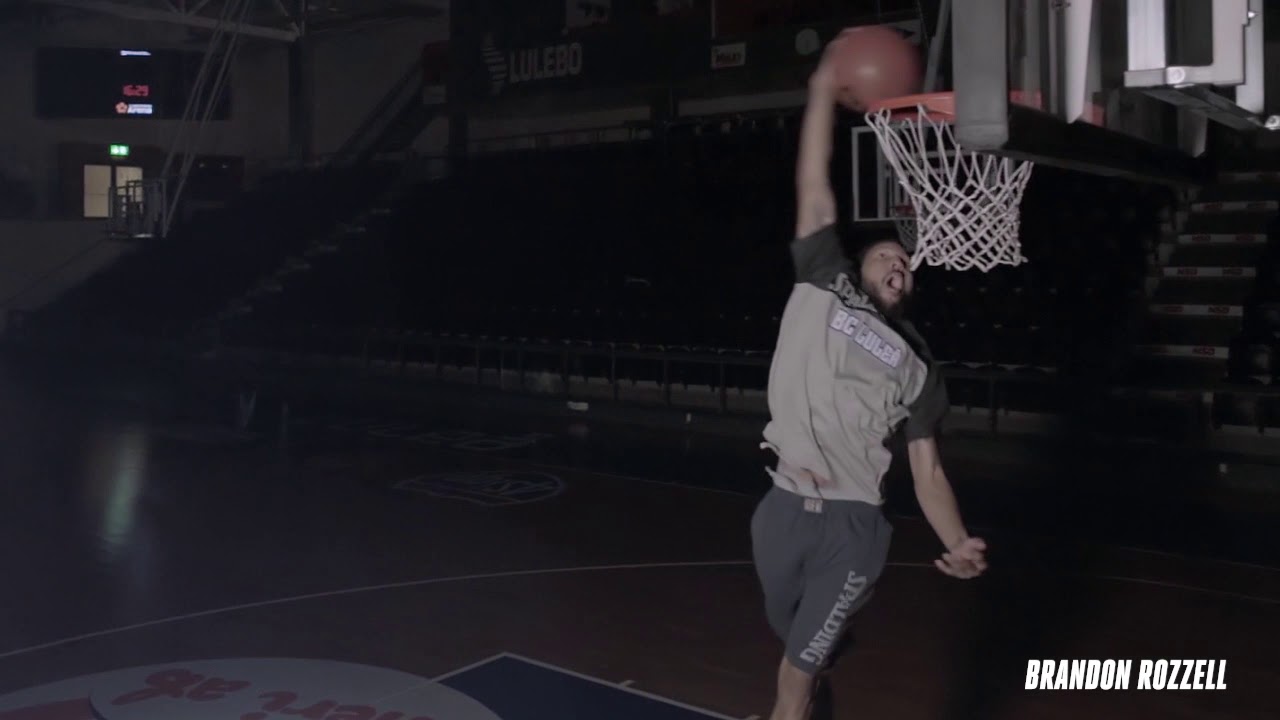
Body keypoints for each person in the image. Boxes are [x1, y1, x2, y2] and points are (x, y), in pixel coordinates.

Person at [750, 33, 989, 720]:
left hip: (854, 526)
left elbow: (929, 473)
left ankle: (805, 682)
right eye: (885, 253)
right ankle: (814, 663)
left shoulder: (917, 365)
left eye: (905, 263)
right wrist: (823, 91)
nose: (898, 263)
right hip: (781, 510)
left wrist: (957, 544)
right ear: (858, 267)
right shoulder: (823, 277)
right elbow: (813, 185)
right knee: (788, 636)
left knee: (791, 680)